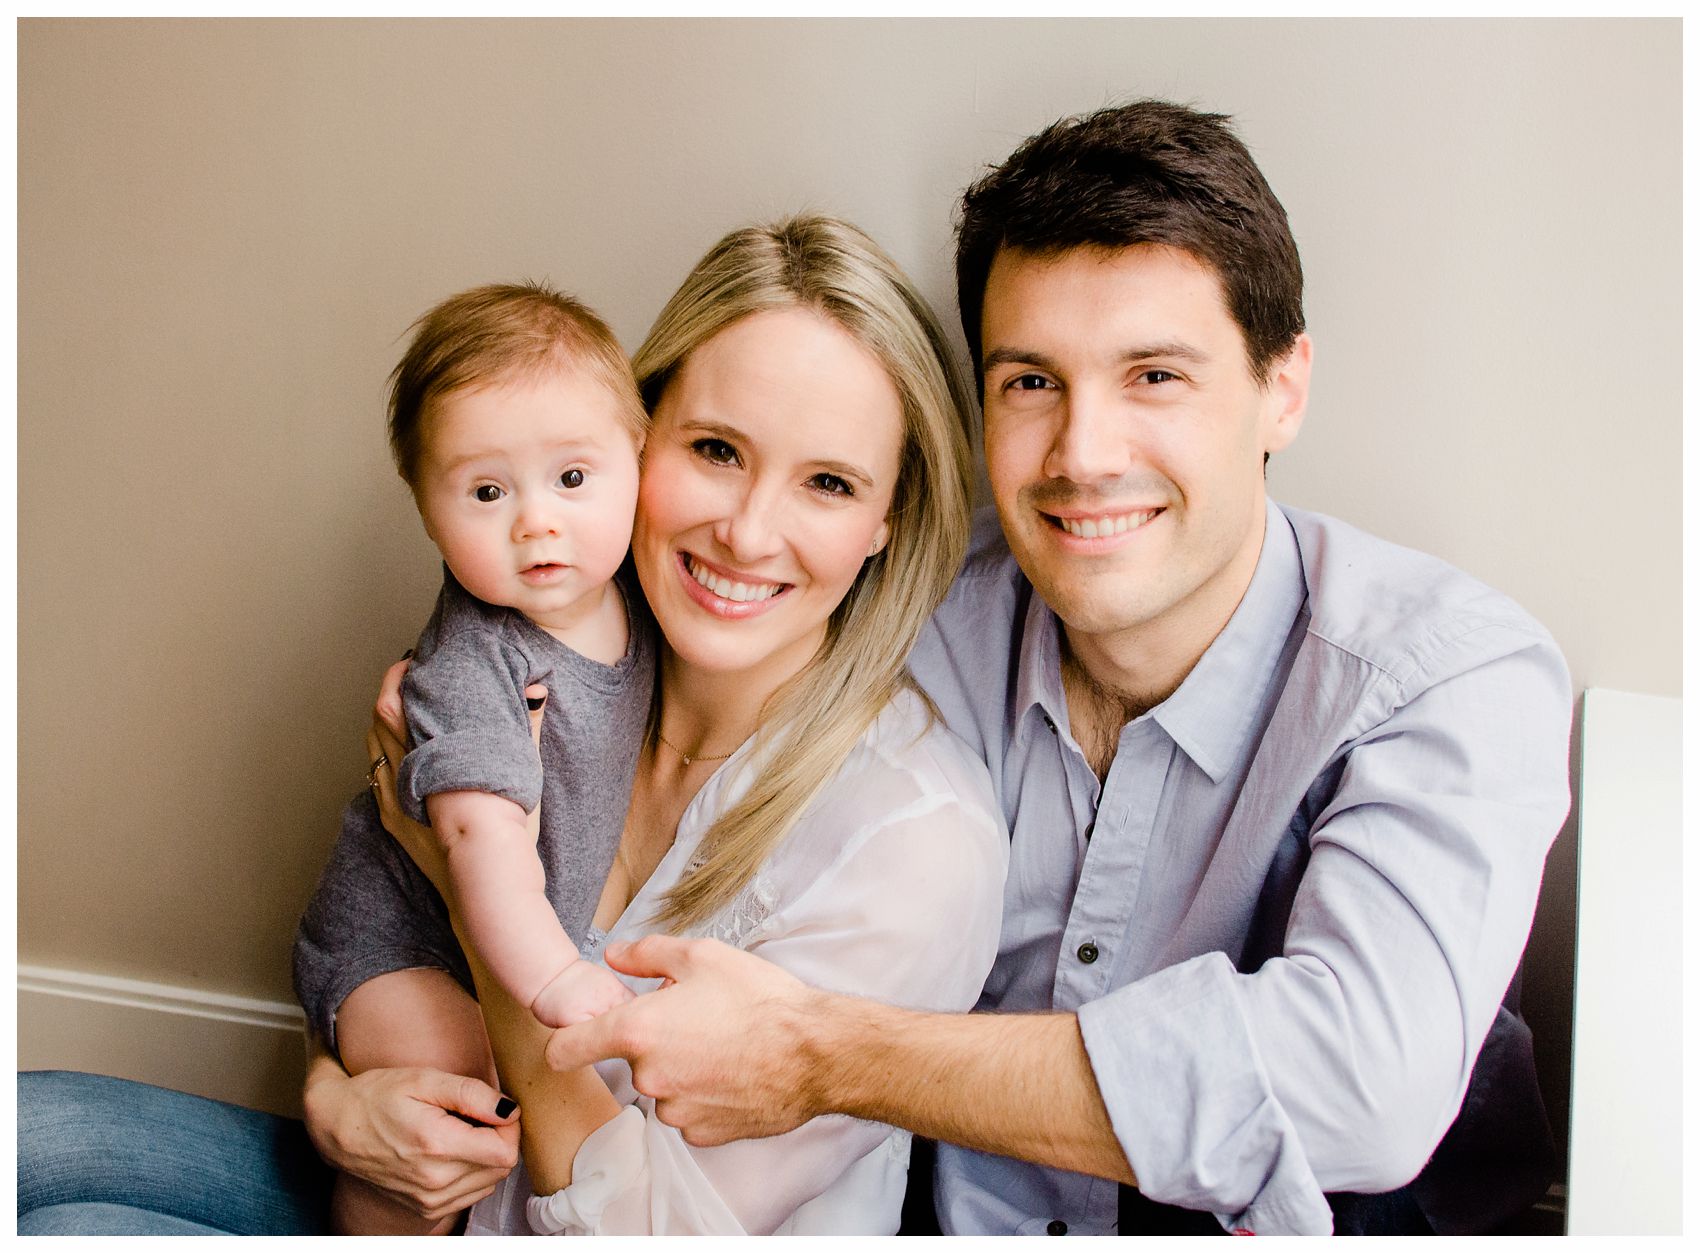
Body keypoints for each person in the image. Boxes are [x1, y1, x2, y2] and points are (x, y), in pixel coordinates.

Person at [538, 101, 1576, 1236]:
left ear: (1282, 385)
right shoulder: (913, 604)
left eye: (1153, 376)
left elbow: (1362, 1087)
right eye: (1030, 380)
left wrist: (821, 1054)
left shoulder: (1444, 673)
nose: (1082, 454)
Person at [18, 214, 1009, 1236]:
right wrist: (338, 1102)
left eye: (828, 483)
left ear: (889, 516)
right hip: (427, 1210)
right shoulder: (558, 643)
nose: (748, 532)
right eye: (716, 449)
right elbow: (380, 921)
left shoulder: (912, 841)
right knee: (25, 1132)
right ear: (637, 432)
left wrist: (469, 894)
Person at [292, 282, 655, 1233]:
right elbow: (482, 852)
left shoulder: (643, 607)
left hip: (478, 943)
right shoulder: (476, 663)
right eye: (488, 492)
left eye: (572, 479)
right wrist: (559, 983)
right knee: (447, 1101)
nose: (536, 521)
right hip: (403, 947)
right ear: (426, 511)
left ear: (639, 460)